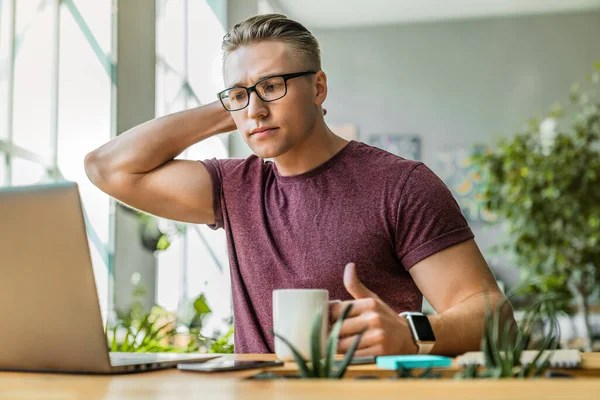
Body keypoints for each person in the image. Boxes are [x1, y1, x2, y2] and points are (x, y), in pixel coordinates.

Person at [85, 13, 514, 356]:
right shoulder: (233, 186)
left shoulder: (401, 185)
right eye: (239, 96)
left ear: (318, 88)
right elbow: (108, 168)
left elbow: (494, 317)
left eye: (273, 86)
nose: (255, 111)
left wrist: (410, 333)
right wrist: (238, 101)